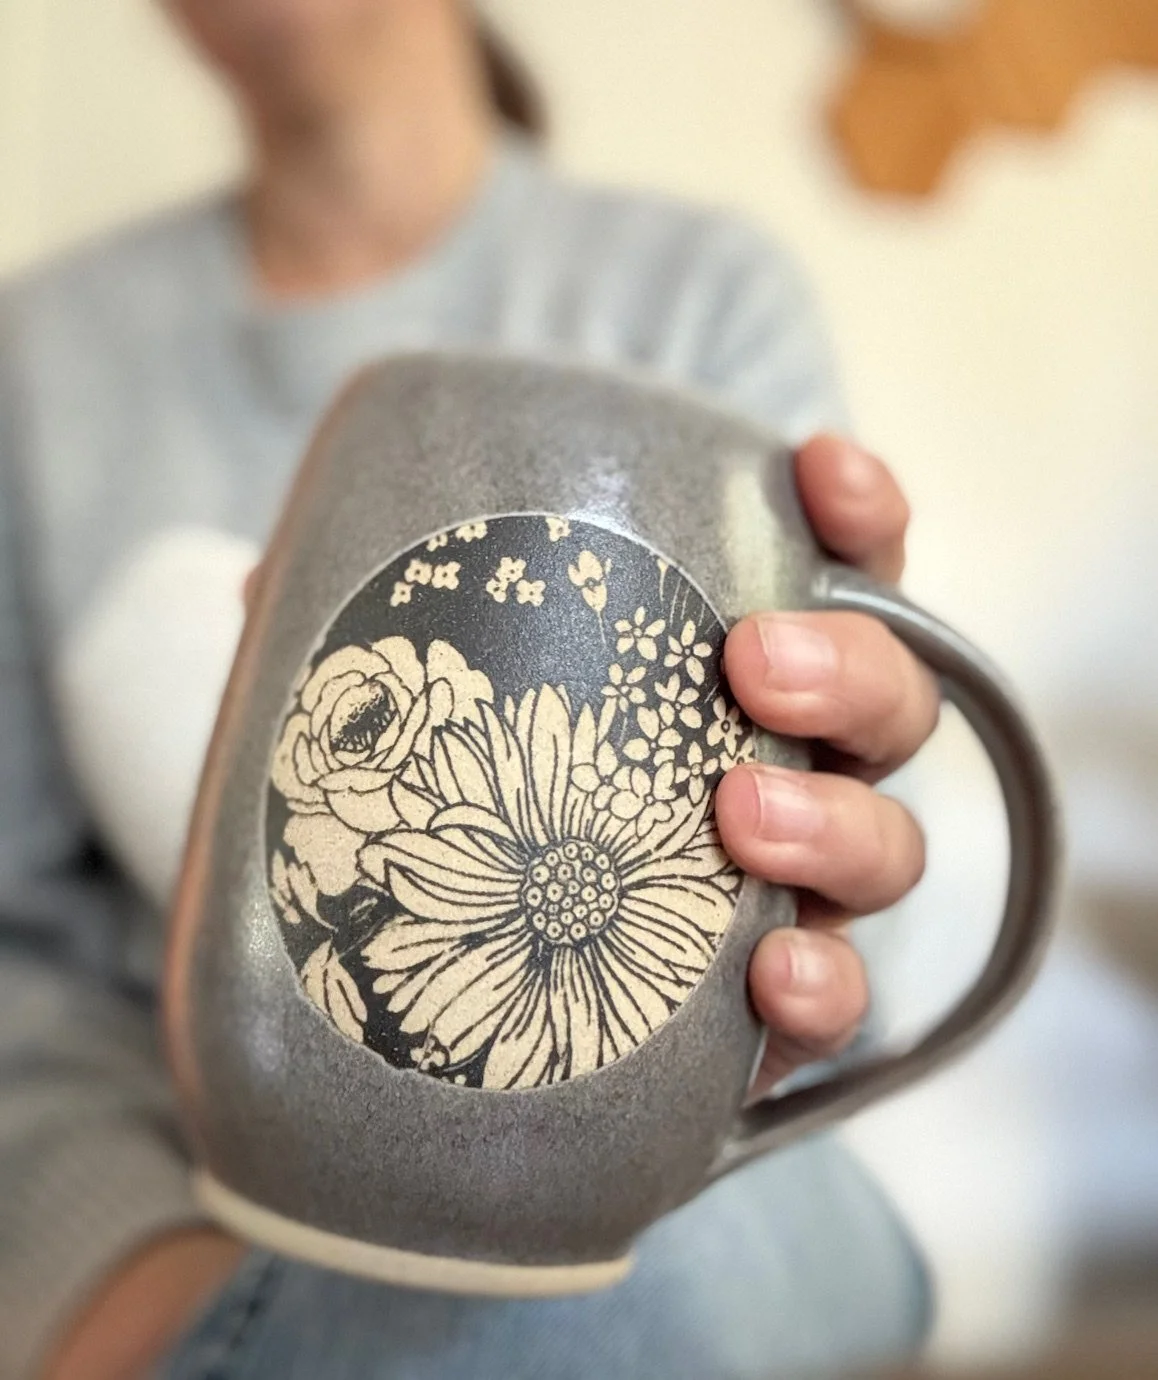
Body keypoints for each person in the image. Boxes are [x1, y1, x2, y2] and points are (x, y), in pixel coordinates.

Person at [0, 3, 941, 1377]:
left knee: (693, 1275)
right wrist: (133, 1292)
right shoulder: (44, 363)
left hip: (677, 1227)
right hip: (201, 1254)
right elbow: (13, 939)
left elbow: (814, 952)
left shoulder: (697, 298)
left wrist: (831, 878)